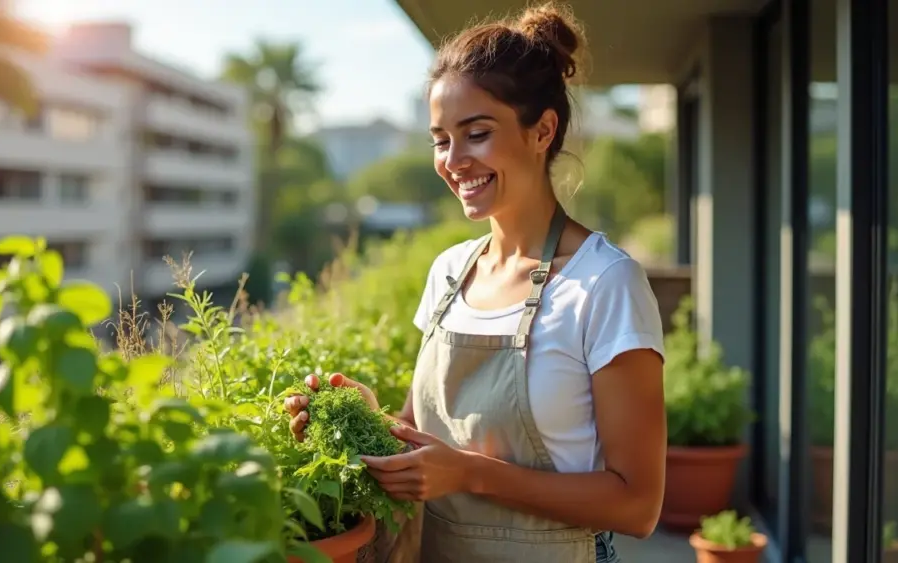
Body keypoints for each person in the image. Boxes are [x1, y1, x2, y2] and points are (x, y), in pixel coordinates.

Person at [284, 3, 667, 562]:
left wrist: (470, 475)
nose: (454, 160)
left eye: (477, 134)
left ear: (543, 131)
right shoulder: (448, 272)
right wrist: (360, 418)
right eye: (441, 139)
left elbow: (637, 506)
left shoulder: (605, 284)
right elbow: (426, 437)